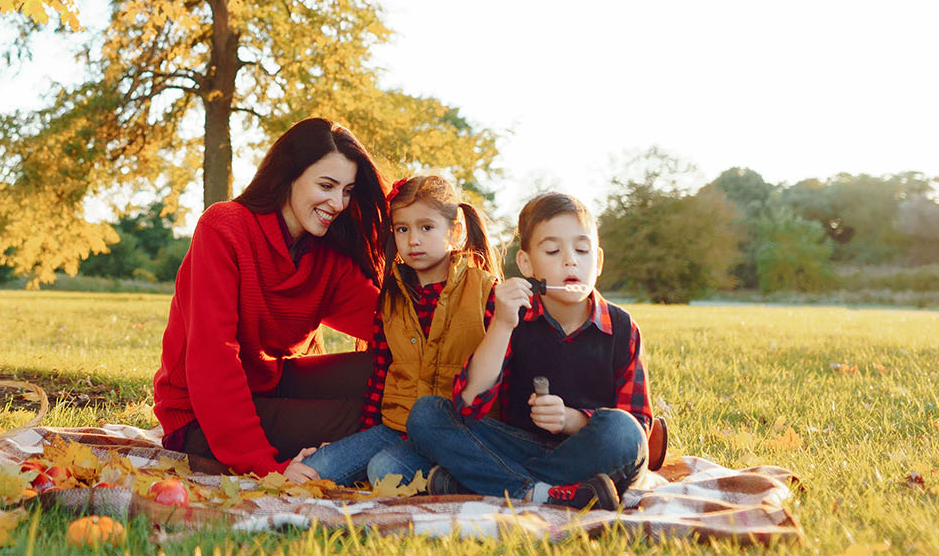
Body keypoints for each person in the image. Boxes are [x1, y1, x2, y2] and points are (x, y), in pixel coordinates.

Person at [152, 117, 390, 478]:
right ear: (289, 174)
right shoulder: (224, 229)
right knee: (374, 414)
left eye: (347, 190)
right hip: (199, 417)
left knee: (391, 374)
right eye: (326, 185)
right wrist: (265, 466)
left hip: (269, 382)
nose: (338, 202)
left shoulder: (325, 255)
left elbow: (390, 324)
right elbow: (213, 361)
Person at [405, 192, 650, 510]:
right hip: (520, 446)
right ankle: (547, 494)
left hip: (590, 453)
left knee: (623, 432)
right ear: (526, 263)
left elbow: (638, 428)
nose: (570, 260)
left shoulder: (622, 328)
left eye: (582, 249)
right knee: (426, 414)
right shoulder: (512, 315)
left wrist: (572, 420)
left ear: (598, 261)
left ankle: (488, 483)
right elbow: (469, 403)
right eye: (552, 250)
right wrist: (502, 324)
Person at [289, 174, 525, 486]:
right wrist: (360, 440)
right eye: (403, 229)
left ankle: (455, 477)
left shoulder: (485, 291)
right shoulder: (391, 299)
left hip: (460, 432)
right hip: (395, 426)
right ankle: (440, 478)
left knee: (384, 470)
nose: (413, 240)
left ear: (454, 232)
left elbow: (506, 377)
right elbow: (380, 376)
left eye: (426, 228)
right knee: (314, 469)